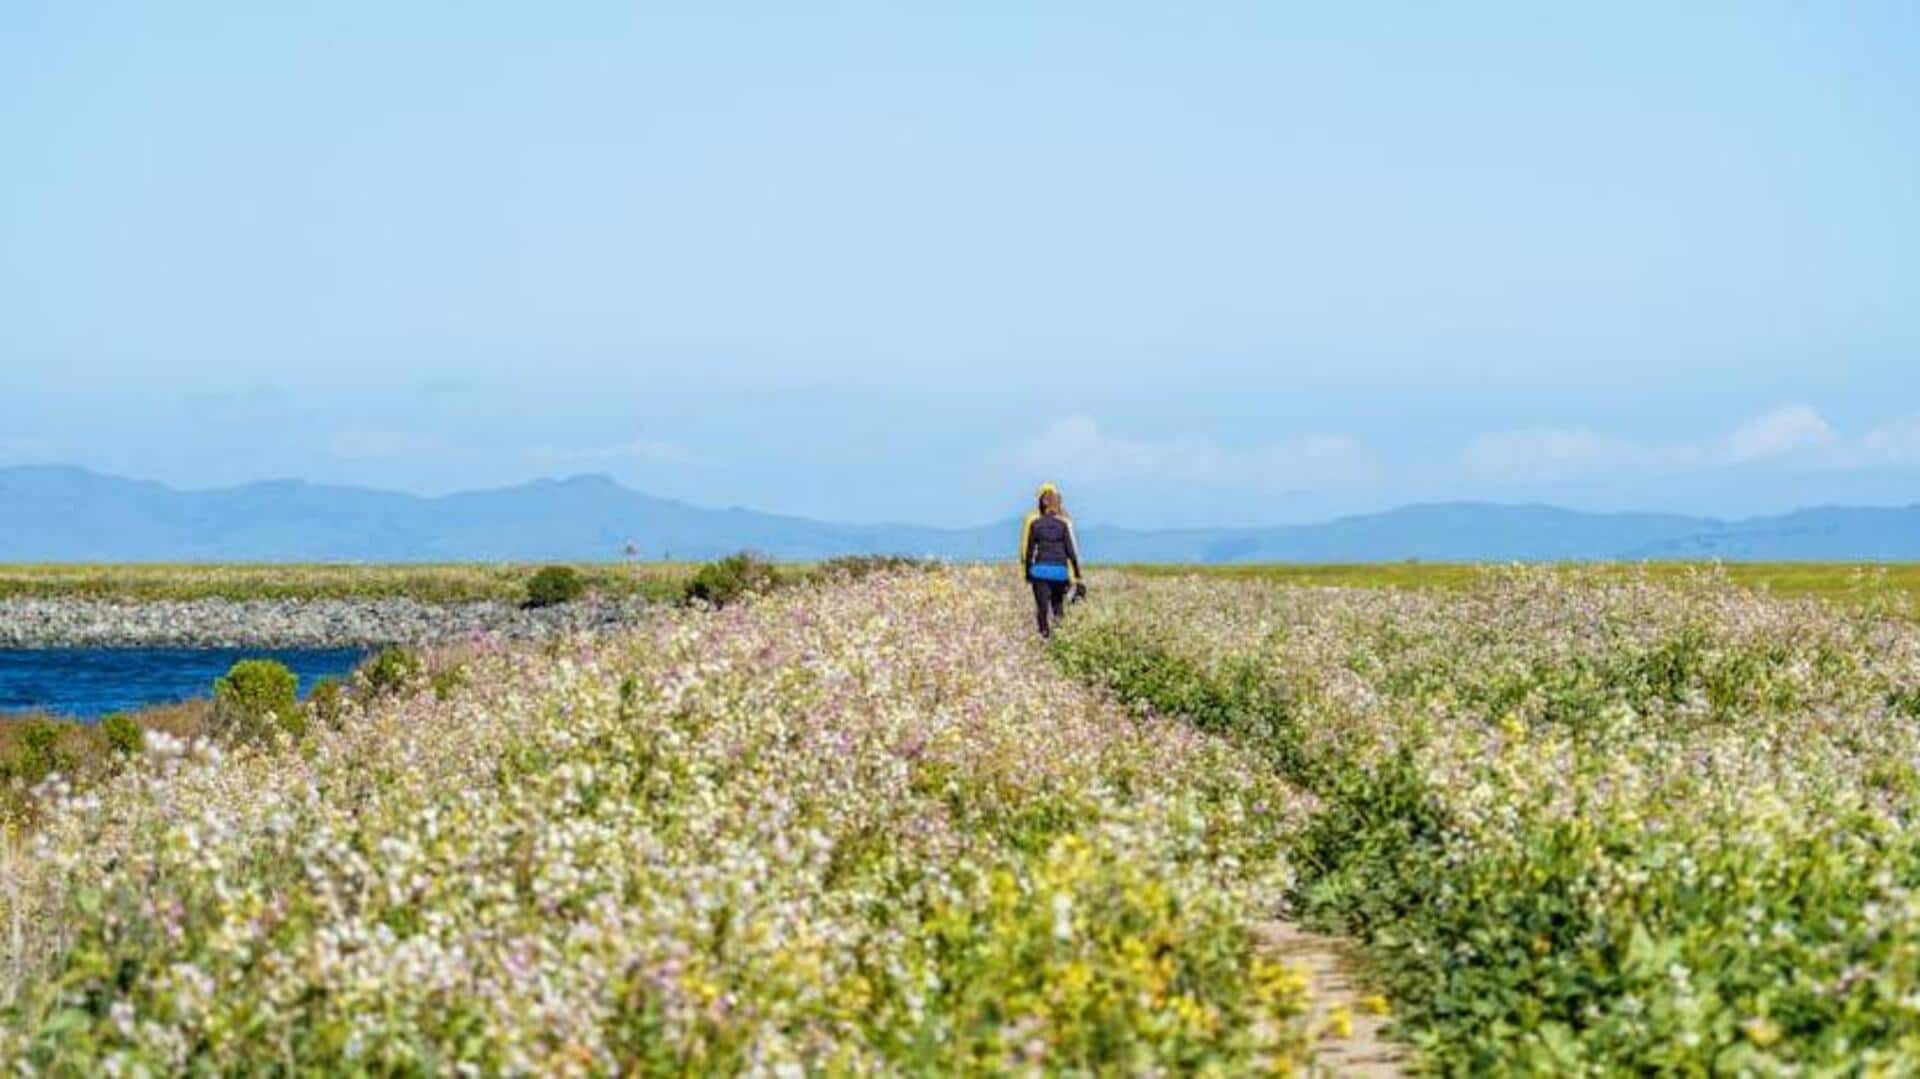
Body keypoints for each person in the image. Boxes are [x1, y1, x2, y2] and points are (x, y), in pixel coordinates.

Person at [1019, 482, 1085, 637]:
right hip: (1061, 572)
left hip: (1040, 570)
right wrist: (1077, 574)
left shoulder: (1034, 522)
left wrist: (1027, 572)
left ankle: (1044, 636)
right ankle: (1060, 637)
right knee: (1058, 607)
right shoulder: (1064, 522)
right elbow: (1071, 550)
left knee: (1042, 609)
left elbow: (1027, 550)